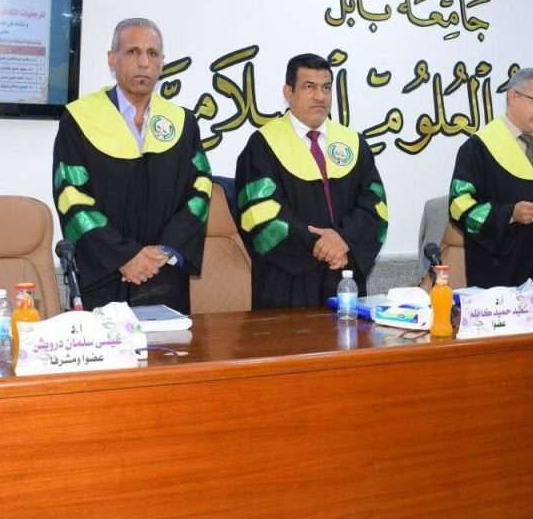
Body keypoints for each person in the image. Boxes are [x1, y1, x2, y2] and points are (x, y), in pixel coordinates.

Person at [51, 18, 210, 311]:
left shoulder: (182, 123)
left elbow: (200, 190)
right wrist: (124, 256)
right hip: (105, 275)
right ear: (112, 60)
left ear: (162, 63)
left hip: (164, 275)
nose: (144, 62)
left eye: (152, 53)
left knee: (171, 341)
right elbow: (71, 196)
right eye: (133, 52)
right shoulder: (80, 120)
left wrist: (166, 249)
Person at [234, 53, 388, 308]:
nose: (320, 96)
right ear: (288, 92)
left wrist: (344, 240)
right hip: (287, 284)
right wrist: (322, 246)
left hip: (344, 279)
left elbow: (375, 206)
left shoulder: (353, 143)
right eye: (309, 87)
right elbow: (259, 214)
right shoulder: (263, 145)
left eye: (326, 88)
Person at [448, 68, 533, 288]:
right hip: (500, 274)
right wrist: (510, 214)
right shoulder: (478, 148)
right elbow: (459, 207)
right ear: (513, 97)